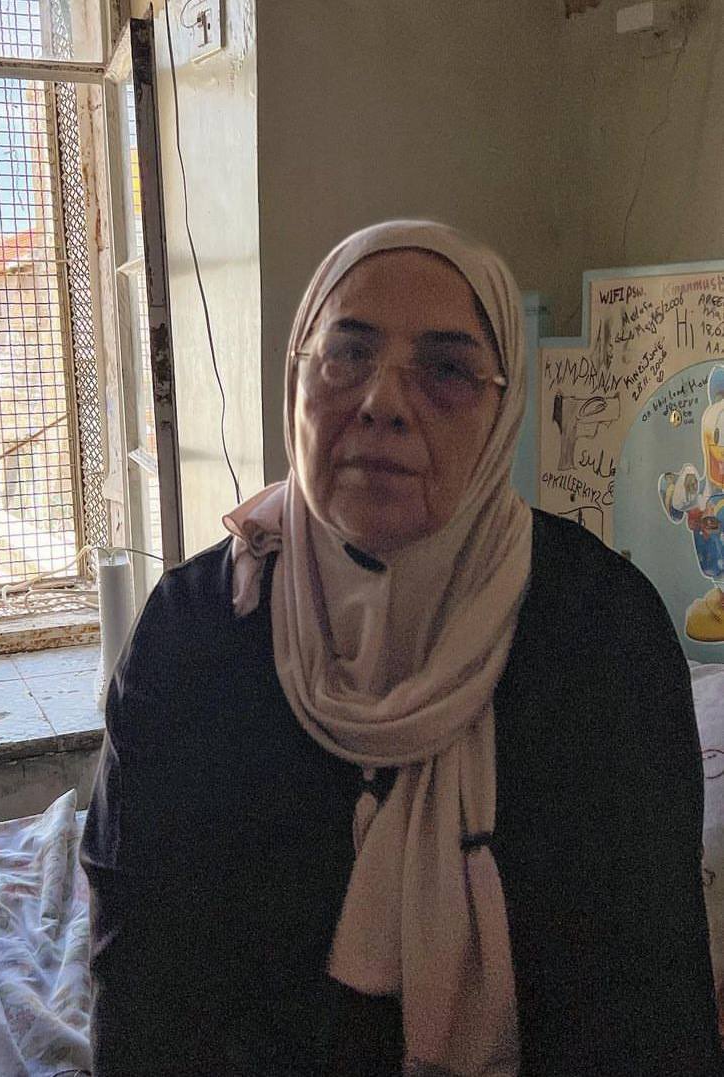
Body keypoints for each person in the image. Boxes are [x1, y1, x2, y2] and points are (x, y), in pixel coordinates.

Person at [79, 220, 724, 1076]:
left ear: (504, 411)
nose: (382, 400)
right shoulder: (194, 634)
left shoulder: (602, 633)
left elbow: (645, 993)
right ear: (296, 379)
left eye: (448, 368)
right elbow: (146, 984)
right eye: (346, 353)